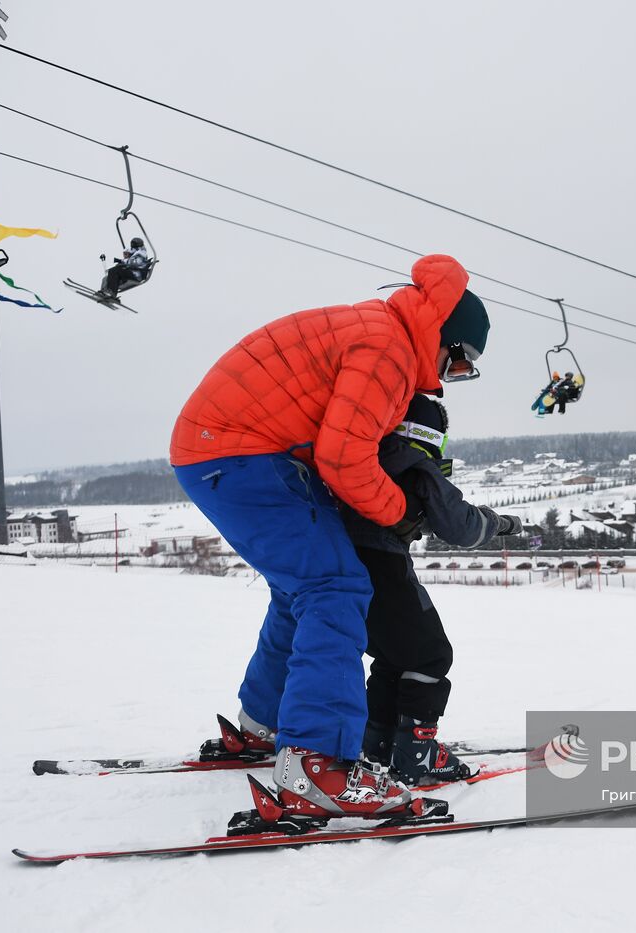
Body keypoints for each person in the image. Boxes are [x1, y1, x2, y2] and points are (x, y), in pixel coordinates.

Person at [170, 254, 490, 819]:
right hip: (242, 454)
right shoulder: (387, 348)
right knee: (335, 587)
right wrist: (398, 512)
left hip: (219, 449)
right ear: (445, 337)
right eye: (459, 362)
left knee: (304, 590)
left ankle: (263, 727)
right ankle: (319, 765)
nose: (447, 376)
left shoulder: (376, 330)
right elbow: (344, 458)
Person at [341, 394, 523, 785]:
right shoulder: (415, 466)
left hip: (345, 567)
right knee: (431, 656)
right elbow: (461, 526)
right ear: (431, 435)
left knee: (394, 658)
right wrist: (503, 524)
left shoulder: (363, 459)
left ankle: (379, 746)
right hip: (384, 566)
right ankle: (416, 756)